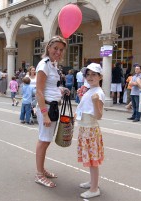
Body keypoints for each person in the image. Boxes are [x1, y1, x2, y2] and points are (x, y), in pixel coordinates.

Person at [35, 35, 69, 188]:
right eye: (55, 48)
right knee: (43, 141)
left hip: (52, 107)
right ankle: (39, 175)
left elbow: (50, 87)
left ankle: (42, 170)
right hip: (47, 108)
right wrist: (44, 114)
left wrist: (61, 90)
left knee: (46, 141)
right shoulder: (44, 65)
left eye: (61, 50)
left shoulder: (53, 65)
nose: (58, 52)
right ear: (48, 48)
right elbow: (39, 92)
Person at [75, 63, 105, 199]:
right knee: (91, 159)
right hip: (85, 128)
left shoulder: (98, 93)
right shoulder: (90, 90)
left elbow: (99, 116)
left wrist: (95, 102)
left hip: (91, 130)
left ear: (100, 76)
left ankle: (94, 189)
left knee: (93, 160)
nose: (90, 77)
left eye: (94, 74)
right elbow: (84, 108)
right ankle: (93, 182)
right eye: (88, 74)